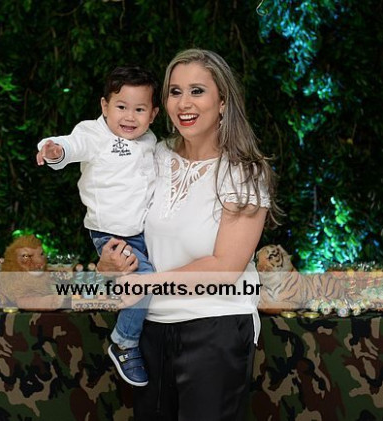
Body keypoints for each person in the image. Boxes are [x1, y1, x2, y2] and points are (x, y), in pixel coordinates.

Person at [97, 49, 282, 421]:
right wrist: (109, 263)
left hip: (215, 328)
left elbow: (225, 268)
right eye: (175, 91)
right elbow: (124, 233)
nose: (184, 103)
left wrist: (144, 283)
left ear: (223, 102)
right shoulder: (150, 156)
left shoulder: (244, 171)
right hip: (149, 330)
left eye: (197, 91)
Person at [36, 66, 160, 387]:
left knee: (147, 281)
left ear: (153, 114)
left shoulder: (150, 141)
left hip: (142, 232)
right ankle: (124, 341)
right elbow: (73, 144)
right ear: (105, 106)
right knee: (144, 279)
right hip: (112, 233)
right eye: (121, 107)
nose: (129, 117)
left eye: (140, 109)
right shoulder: (94, 133)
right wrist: (56, 150)